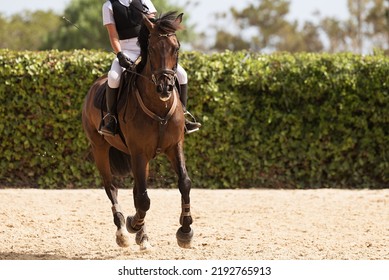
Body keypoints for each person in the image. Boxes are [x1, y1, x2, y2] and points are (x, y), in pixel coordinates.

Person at [100, 0, 201, 136]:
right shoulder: (109, 6)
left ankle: (184, 115)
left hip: (148, 47)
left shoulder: (144, 0)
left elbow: (155, 25)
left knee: (182, 75)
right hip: (126, 49)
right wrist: (120, 54)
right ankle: (111, 119)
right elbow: (113, 35)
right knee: (113, 77)